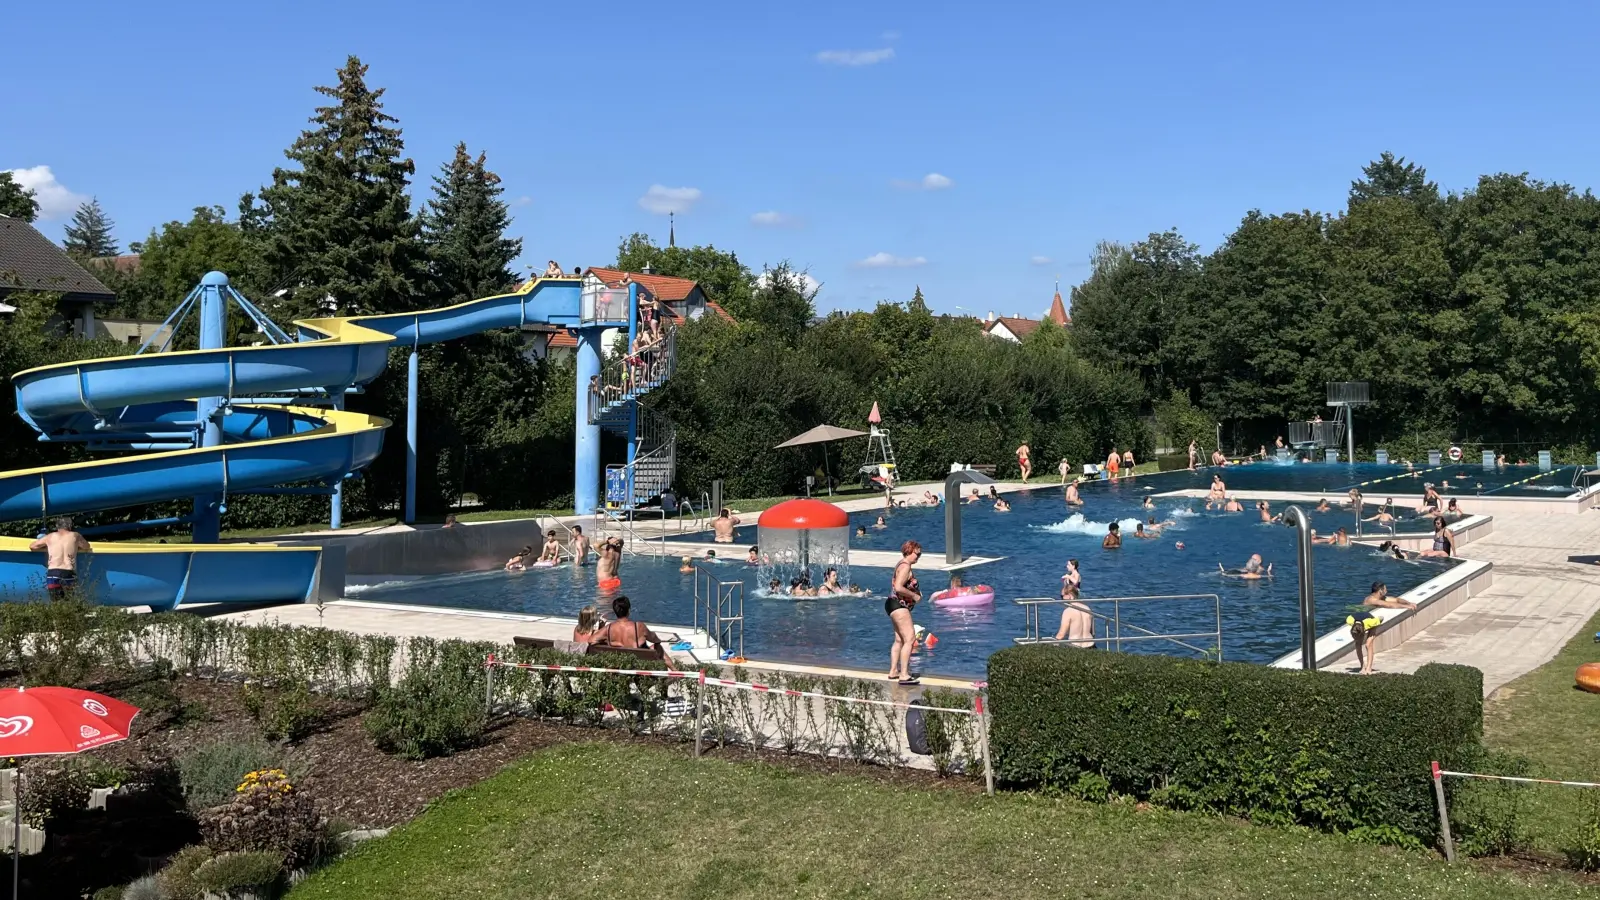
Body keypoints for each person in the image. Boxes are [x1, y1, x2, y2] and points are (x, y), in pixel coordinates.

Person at [592, 596, 674, 667]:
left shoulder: (608, 628)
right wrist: (658, 641)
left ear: (615, 612)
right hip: (638, 665)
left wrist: (606, 642)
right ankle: (675, 671)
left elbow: (591, 640)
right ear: (629, 610)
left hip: (619, 664)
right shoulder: (638, 626)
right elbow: (653, 639)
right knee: (658, 647)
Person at [886, 541, 923, 685]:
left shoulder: (901, 564)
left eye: (920, 554)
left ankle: (893, 671)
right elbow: (898, 587)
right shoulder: (906, 566)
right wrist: (914, 596)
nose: (918, 557)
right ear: (909, 551)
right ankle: (904, 674)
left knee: (899, 640)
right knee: (910, 639)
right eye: (917, 554)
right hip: (898, 605)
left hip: (892, 604)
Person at [31, 518, 90, 595]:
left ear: (57, 526)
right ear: (70, 526)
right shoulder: (75, 535)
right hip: (69, 572)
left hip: (53, 572)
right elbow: (86, 546)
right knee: (69, 600)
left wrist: (46, 547)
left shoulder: (50, 537)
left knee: (55, 600)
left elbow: (32, 546)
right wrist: (76, 546)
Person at [1053, 559, 1093, 648]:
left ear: (1070, 596)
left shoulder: (1068, 612)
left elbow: (1061, 635)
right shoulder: (1088, 609)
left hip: (1076, 647)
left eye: (1062, 596)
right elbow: (1092, 632)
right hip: (1091, 646)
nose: (1062, 599)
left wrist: (1053, 645)